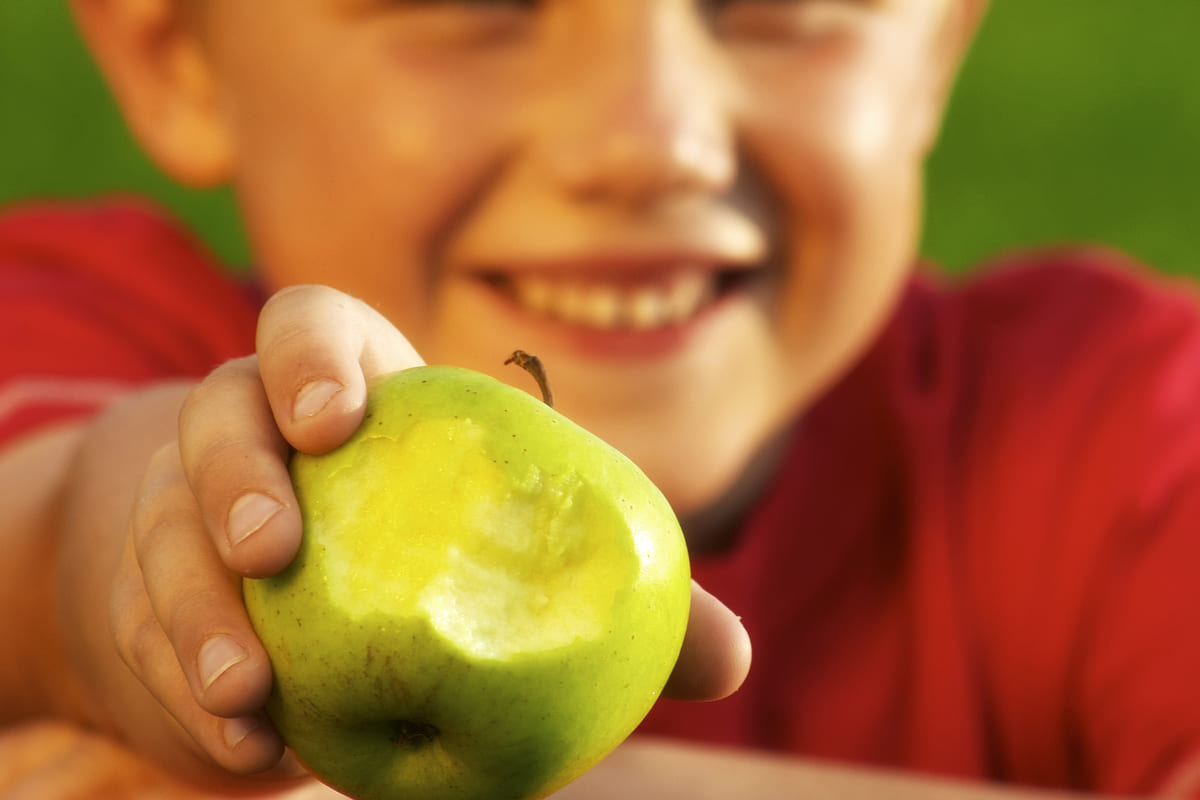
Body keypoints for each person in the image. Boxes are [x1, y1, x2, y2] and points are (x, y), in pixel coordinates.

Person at [4, 0, 1200, 797]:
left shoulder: (1131, 427)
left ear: (939, 48)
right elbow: (52, 532)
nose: (648, 141)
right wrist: (176, 561)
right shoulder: (62, 313)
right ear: (176, 55)